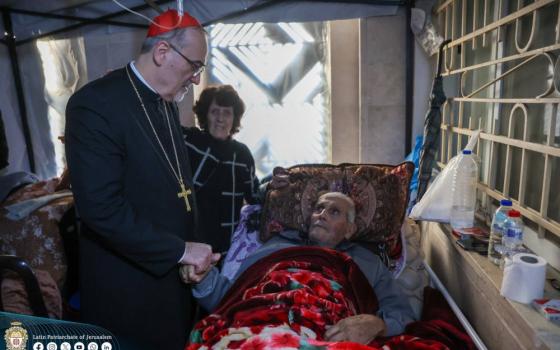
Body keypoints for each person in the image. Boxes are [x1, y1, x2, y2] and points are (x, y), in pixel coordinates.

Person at [65, 9, 220, 350]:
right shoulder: (94, 105)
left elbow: (179, 188)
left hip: (173, 278)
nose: (196, 78)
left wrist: (190, 253)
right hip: (128, 293)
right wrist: (180, 250)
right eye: (194, 65)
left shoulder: (164, 101)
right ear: (163, 53)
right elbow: (100, 210)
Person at [183, 192, 415, 344]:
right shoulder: (274, 246)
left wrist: (376, 325)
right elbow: (231, 298)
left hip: (325, 329)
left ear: (350, 230)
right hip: (254, 322)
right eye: (318, 208)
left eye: (333, 212)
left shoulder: (368, 262)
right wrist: (204, 279)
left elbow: (402, 313)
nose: (321, 214)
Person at [182, 85, 260, 253]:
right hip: (189, 244)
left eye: (227, 113)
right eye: (214, 111)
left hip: (228, 248)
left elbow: (255, 195)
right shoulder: (189, 141)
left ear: (234, 119)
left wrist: (278, 184)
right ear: (205, 115)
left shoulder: (242, 154)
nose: (220, 118)